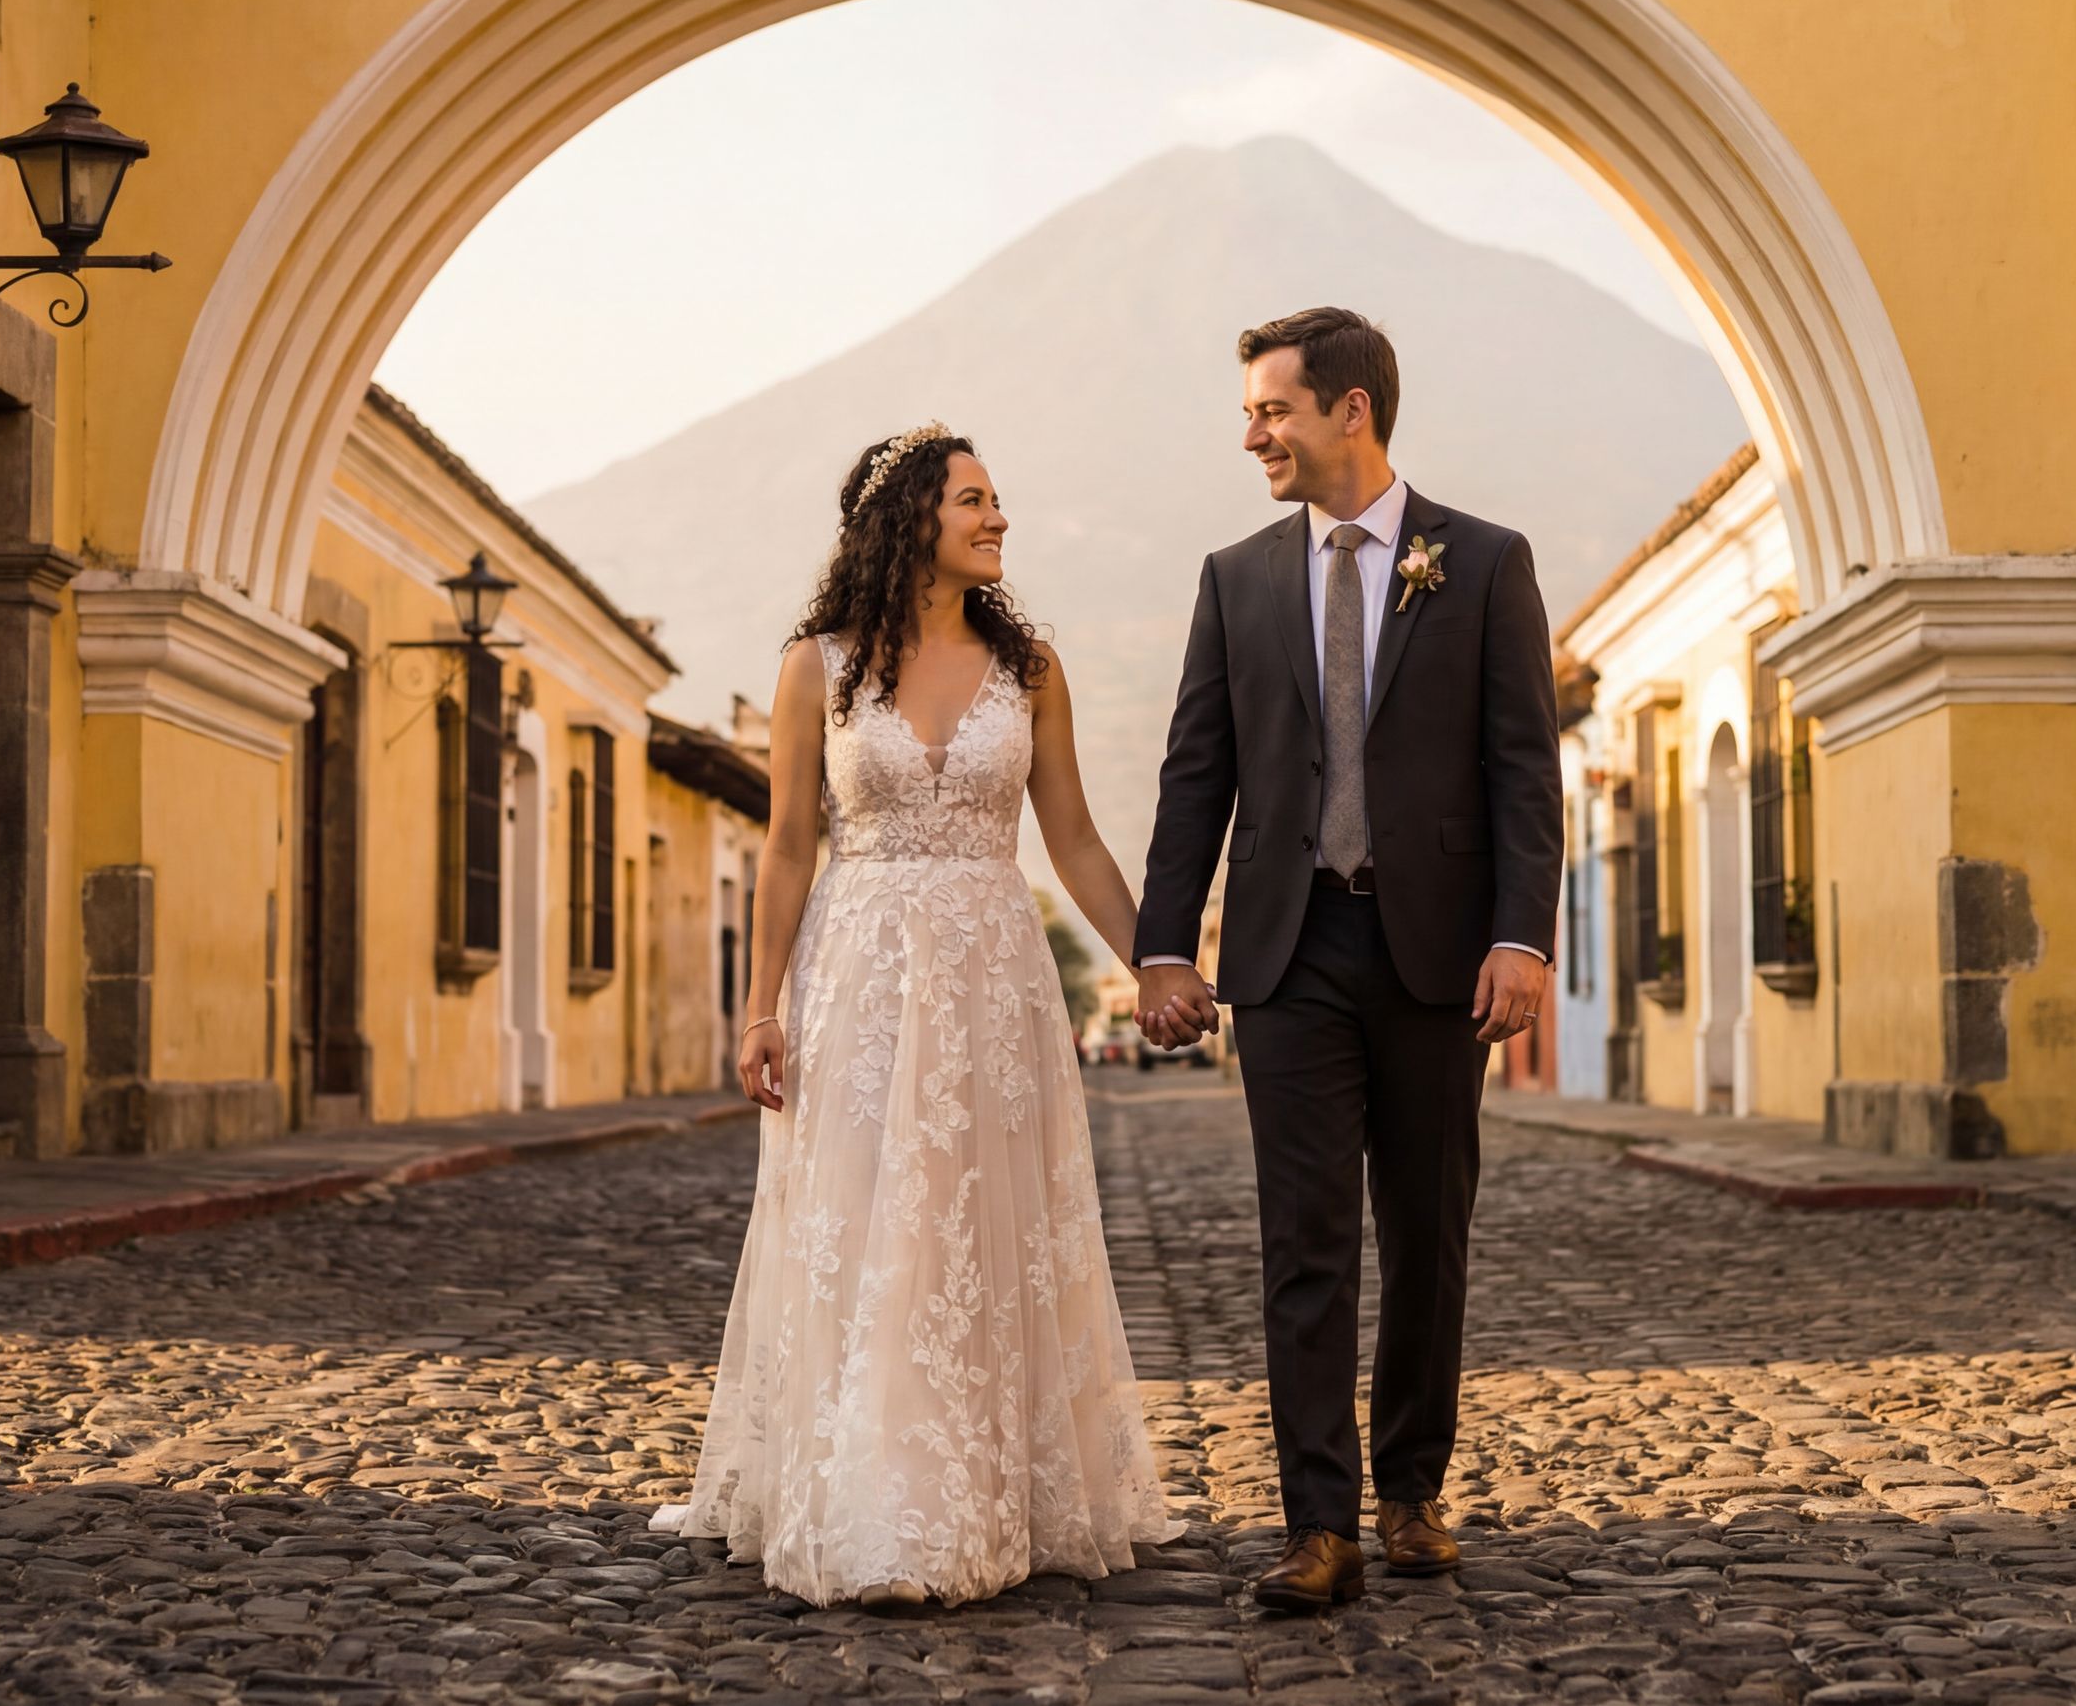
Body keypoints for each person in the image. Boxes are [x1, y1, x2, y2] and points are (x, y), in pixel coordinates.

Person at [659, 423, 1180, 1611]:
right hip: (860, 971)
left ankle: (996, 1486)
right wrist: (760, 1013)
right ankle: (876, 1488)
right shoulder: (817, 666)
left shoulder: (1031, 669)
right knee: (865, 1217)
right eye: (975, 500)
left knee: (977, 1223)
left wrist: (1153, 962)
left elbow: (1078, 840)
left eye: (999, 501)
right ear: (909, 522)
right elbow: (790, 847)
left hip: (994, 979)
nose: (1000, 519)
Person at [1133, 307, 1563, 1613]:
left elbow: (1521, 766)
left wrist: (1521, 933)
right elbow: (1196, 768)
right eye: (1253, 411)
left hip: (1438, 957)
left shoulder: (1482, 563)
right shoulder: (1237, 577)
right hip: (1289, 949)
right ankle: (1319, 1522)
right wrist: (1163, 943)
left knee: (1427, 1230)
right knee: (1304, 1240)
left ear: (1350, 411)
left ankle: (1411, 1491)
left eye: (1271, 409)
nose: (1252, 433)